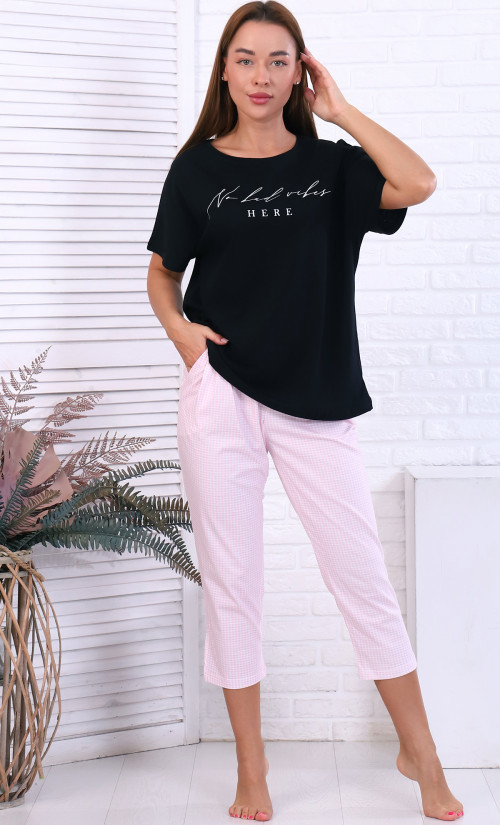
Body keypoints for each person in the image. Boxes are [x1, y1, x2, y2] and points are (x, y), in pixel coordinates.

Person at [146, 2, 464, 822]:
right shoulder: (196, 171)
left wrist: (343, 111)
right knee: (233, 584)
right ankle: (252, 771)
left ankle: (421, 752)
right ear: (225, 71)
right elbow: (162, 272)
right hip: (222, 394)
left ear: (301, 73)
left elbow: (419, 182)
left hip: (316, 398)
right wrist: (186, 340)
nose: (261, 76)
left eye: (278, 61)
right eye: (246, 59)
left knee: (361, 574)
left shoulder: (334, 168)